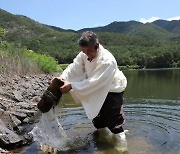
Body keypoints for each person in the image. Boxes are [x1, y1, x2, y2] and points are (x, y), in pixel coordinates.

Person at [54, 31, 127, 151]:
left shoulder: (108, 61)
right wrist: (62, 78)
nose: (87, 55)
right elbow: (74, 67)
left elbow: (95, 82)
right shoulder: (84, 53)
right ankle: (104, 144)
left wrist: (72, 85)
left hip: (112, 88)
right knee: (98, 119)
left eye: (89, 52)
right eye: (84, 52)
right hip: (93, 86)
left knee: (114, 121)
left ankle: (122, 148)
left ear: (97, 45)